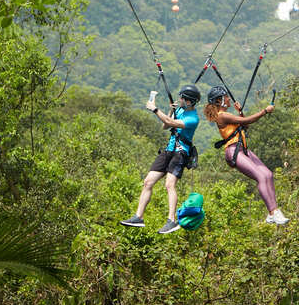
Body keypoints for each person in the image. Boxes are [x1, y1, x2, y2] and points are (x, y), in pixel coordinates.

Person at [120, 84, 201, 234]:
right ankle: (138, 217)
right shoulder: (181, 110)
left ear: (188, 102)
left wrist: (155, 109)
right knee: (148, 182)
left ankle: (171, 220)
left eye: (182, 97)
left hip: (180, 153)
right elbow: (165, 126)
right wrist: (171, 110)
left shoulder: (193, 119)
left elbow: (171, 123)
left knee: (169, 185)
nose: (179, 99)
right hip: (168, 150)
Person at [204, 85, 289, 225]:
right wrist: (264, 111)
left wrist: (240, 112)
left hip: (242, 150)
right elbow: (246, 121)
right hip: (233, 151)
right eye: (226, 97)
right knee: (261, 176)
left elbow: (244, 126)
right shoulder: (222, 115)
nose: (228, 98)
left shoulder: (227, 115)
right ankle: (273, 212)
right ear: (219, 101)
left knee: (268, 174)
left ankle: (272, 213)